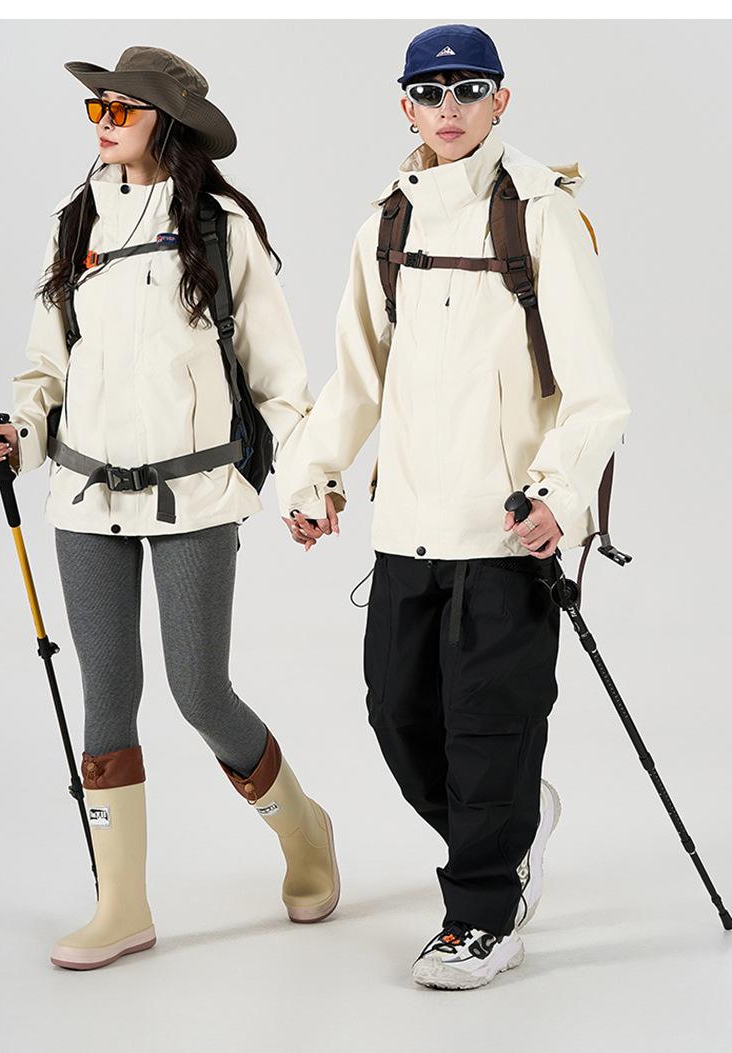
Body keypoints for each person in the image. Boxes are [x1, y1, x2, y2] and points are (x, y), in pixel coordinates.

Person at [278, 24, 630, 990]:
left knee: (488, 725)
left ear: (501, 99)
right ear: (405, 106)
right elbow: (357, 377)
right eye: (429, 93)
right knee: (397, 713)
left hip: (508, 530)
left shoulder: (543, 216)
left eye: (468, 89)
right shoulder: (385, 225)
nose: (448, 108)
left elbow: (596, 391)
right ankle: (512, 825)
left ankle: (480, 916)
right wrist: (315, 476)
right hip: (407, 526)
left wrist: (558, 496)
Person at [0, 46, 339, 971]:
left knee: (198, 689)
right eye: (95, 107)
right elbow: (45, 363)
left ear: (165, 120)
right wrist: (19, 427)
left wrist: (308, 483)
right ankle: (122, 904)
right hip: (84, 492)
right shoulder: (74, 225)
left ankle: (305, 830)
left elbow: (280, 377)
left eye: (120, 108)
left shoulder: (220, 227)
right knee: (107, 690)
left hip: (198, 492)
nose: (102, 121)